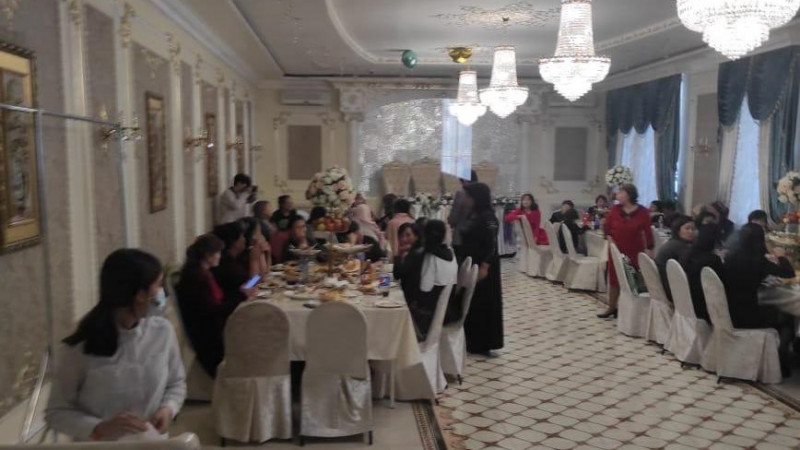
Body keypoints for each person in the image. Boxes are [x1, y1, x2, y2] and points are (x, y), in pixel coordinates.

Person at [46, 249, 185, 441]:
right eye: (158, 285)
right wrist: (99, 428)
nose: (162, 293)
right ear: (140, 294)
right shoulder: (80, 348)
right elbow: (56, 412)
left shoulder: (162, 331)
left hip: (152, 442)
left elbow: (176, 383)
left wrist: (168, 408)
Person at [724, 223, 795, 375]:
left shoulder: (731, 256)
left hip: (728, 310)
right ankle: (783, 358)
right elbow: (788, 273)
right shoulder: (758, 260)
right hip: (747, 316)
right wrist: (781, 256)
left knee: (772, 309)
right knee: (786, 316)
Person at [176, 234, 239, 378]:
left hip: (211, 326)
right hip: (209, 336)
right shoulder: (197, 278)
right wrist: (240, 297)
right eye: (218, 253)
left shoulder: (202, 273)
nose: (220, 256)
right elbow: (212, 311)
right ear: (208, 255)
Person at [393, 220, 459, 342]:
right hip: (450, 310)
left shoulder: (429, 256)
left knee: (396, 311)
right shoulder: (451, 252)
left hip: (430, 316)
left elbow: (424, 288)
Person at [599, 184, 654, 318]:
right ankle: (612, 307)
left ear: (629, 195)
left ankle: (632, 311)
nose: (618, 195)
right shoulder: (615, 210)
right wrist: (610, 239)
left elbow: (648, 232)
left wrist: (650, 249)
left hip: (634, 251)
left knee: (632, 278)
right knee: (614, 279)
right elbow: (607, 228)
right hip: (616, 250)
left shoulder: (642, 212)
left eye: (621, 193)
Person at [461, 183, 503, 355]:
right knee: (474, 302)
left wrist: (485, 266)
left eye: (468, 196)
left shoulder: (488, 217)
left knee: (484, 303)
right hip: (475, 263)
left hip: (485, 266)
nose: (466, 200)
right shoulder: (475, 215)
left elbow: (492, 244)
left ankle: (484, 342)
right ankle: (473, 341)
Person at [680, 223, 723, 322]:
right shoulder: (712, 260)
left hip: (688, 303)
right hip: (707, 308)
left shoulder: (687, 254)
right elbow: (722, 284)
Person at [654, 215, 696, 301]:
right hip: (672, 290)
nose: (691, 232)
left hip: (661, 286)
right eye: (687, 228)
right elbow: (686, 270)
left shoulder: (671, 243)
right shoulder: (681, 247)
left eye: (693, 229)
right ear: (678, 230)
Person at [211, 222, 250, 304]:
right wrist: (255, 260)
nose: (244, 239)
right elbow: (250, 285)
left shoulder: (236, 258)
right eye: (242, 236)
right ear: (234, 242)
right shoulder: (226, 265)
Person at [448, 171, 478, 263]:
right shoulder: (483, 194)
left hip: (460, 238)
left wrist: (450, 221)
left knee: (461, 266)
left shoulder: (461, 194)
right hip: (477, 238)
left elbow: (453, 218)